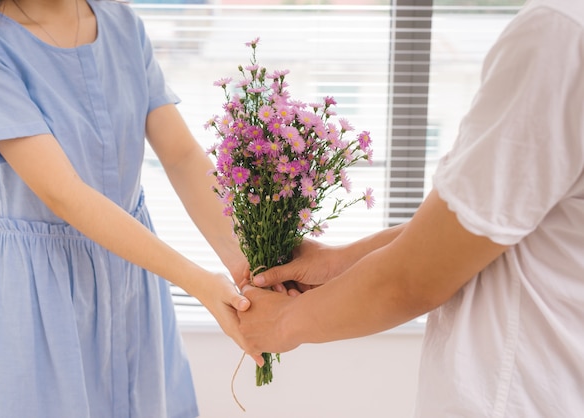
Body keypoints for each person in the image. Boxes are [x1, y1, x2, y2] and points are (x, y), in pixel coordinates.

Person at [238, 0, 584, 416]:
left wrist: (282, 323)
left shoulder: (560, 33)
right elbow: (479, 227)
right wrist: (341, 262)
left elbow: (412, 279)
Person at [0, 1, 260, 417]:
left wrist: (246, 262)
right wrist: (200, 283)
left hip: (134, 282)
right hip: (40, 295)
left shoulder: (119, 22)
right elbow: (65, 194)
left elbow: (183, 157)